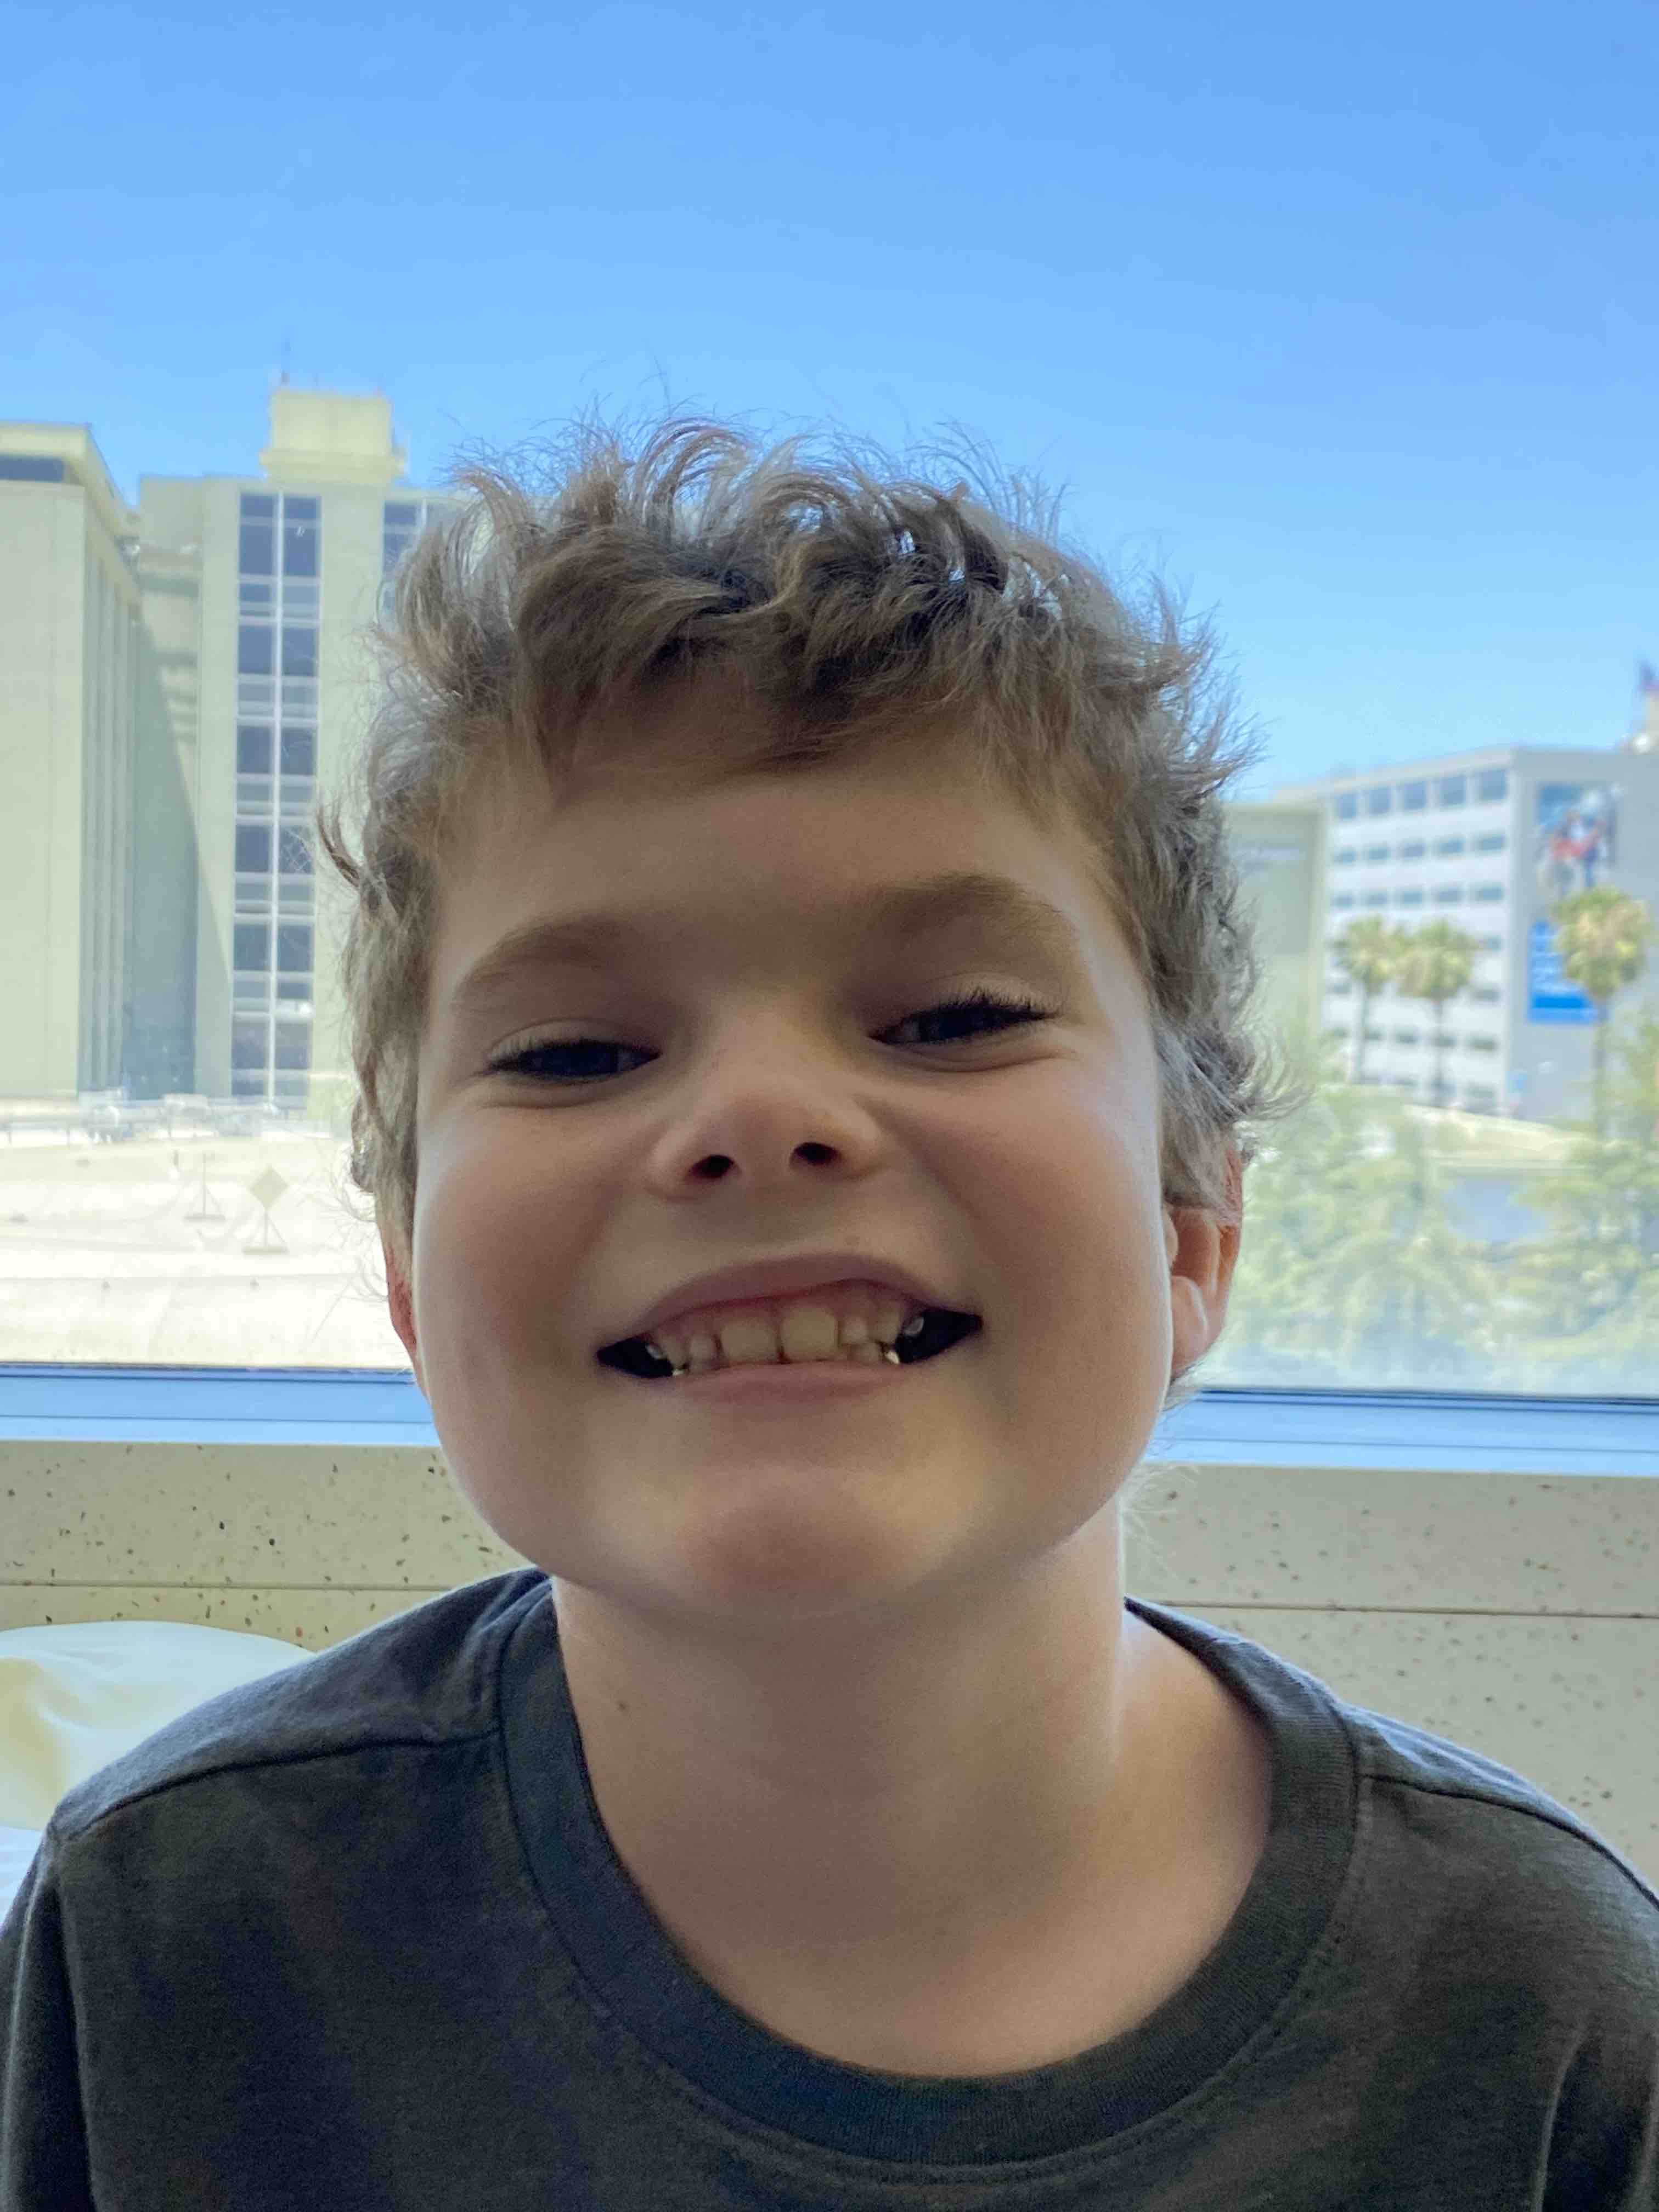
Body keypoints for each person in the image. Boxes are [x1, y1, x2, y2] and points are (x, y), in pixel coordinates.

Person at [2, 413, 1654, 2207]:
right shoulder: (162, 1938)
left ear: (1194, 1230)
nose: (759, 1115)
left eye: (954, 1017)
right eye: (573, 1050)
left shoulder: (1543, 2017)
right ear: (406, 1275)